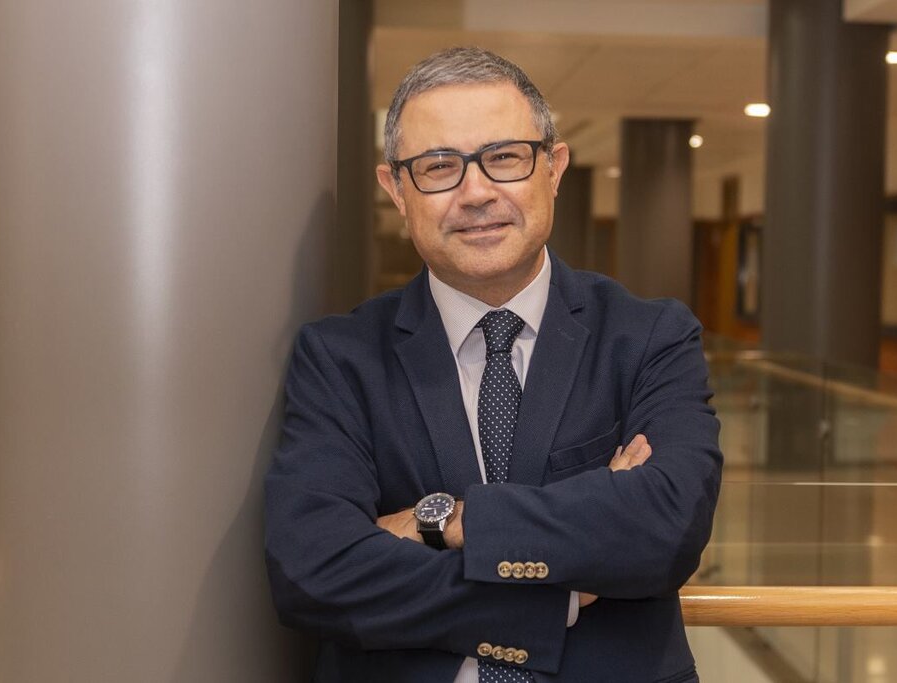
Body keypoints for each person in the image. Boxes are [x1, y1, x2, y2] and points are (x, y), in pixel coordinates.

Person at [265, 46, 722, 683]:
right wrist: (552, 593)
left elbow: (664, 528)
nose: (476, 192)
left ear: (554, 168)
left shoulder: (649, 337)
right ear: (397, 190)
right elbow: (314, 570)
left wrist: (445, 520)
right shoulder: (340, 359)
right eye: (438, 167)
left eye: (504, 157)